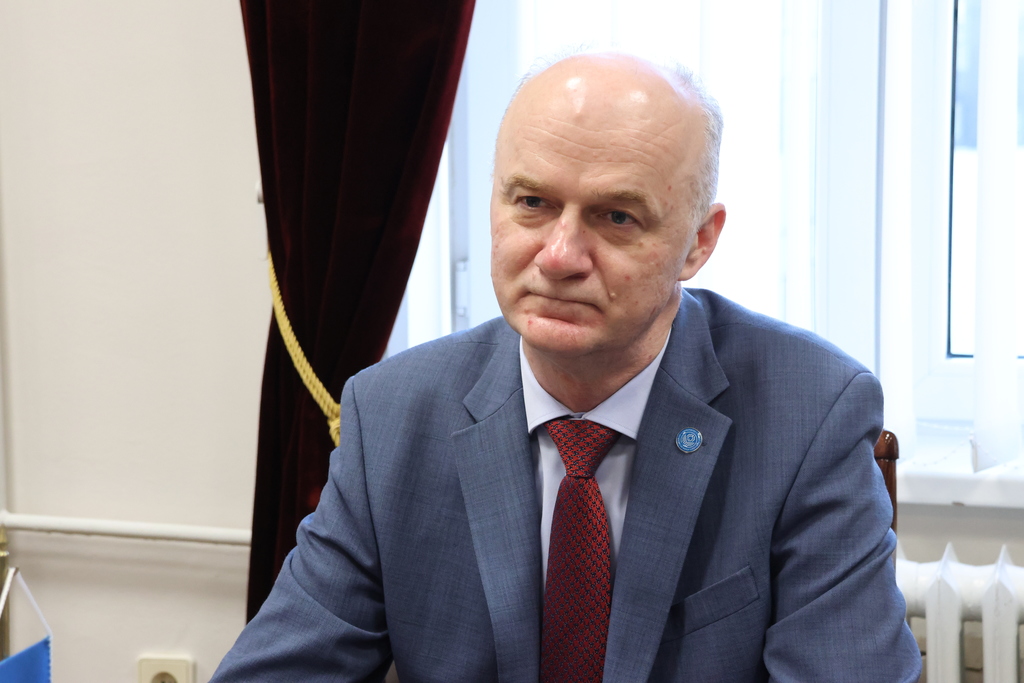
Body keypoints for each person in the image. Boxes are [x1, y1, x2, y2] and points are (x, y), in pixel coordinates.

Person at [212, 53, 921, 682]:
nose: (558, 256)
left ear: (698, 243)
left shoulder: (810, 414)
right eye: (532, 203)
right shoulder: (393, 415)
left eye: (617, 217)